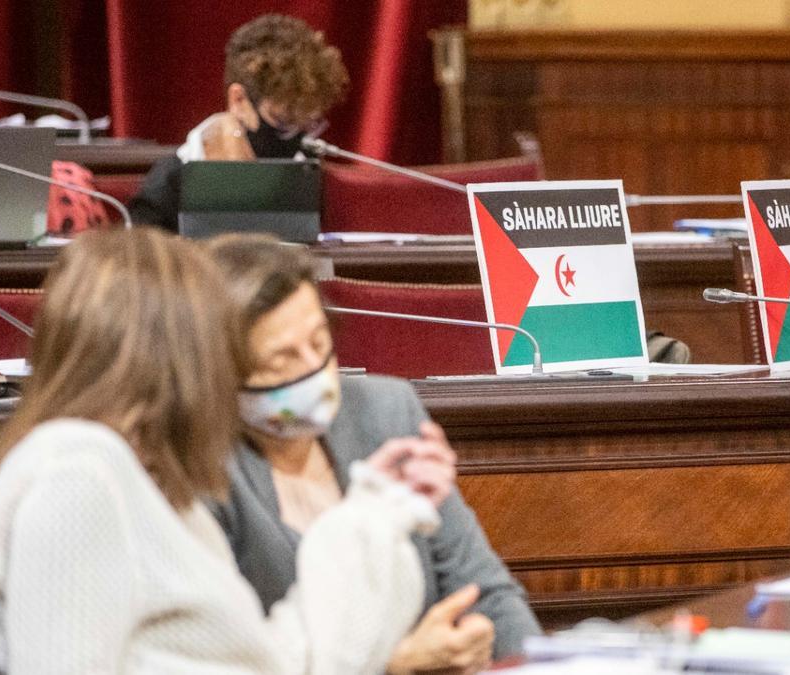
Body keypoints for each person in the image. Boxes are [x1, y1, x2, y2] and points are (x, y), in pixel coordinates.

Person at [0, 228, 452, 674]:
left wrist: (372, 514)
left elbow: (279, 661)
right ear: (182, 359)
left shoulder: (150, 480)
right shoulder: (77, 475)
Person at [207, 234, 542, 673]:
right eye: (280, 361)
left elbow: (488, 592)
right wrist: (392, 666)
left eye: (319, 341)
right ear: (219, 372)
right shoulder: (201, 469)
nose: (313, 368)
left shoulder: (385, 413)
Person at [129, 14, 347, 230]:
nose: (297, 137)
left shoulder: (309, 176)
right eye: (284, 120)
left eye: (309, 123)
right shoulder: (169, 183)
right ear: (239, 100)